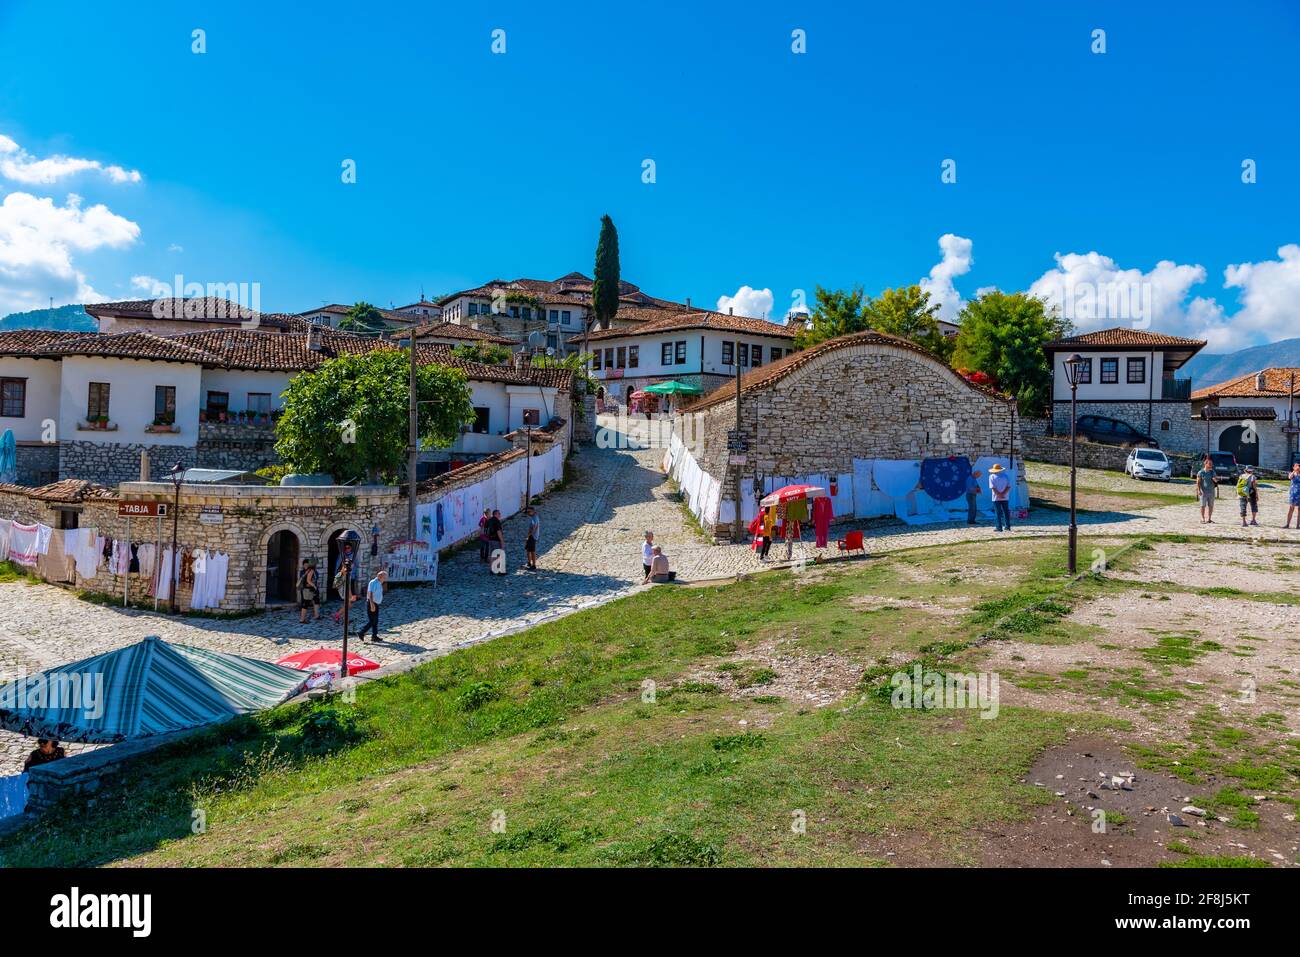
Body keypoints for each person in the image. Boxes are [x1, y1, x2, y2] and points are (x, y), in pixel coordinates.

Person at [332, 540, 360, 623]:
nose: (347, 549)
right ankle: (337, 615)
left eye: (348, 548)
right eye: (345, 548)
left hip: (351, 577)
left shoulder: (354, 555)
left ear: (351, 548)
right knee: (348, 603)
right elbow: (337, 564)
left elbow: (357, 565)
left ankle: (344, 619)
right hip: (345, 580)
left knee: (348, 603)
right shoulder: (342, 556)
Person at [357, 569, 387, 642]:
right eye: (384, 577)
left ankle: (374, 636)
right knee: (372, 620)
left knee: (375, 620)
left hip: (376, 604)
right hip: (372, 603)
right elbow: (370, 594)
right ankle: (361, 632)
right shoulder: (373, 582)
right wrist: (372, 604)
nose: (385, 579)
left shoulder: (379, 583)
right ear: (380, 576)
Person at [988, 463, 1012, 532]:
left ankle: (999, 527)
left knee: (997, 512)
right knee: (1006, 512)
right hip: (1005, 497)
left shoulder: (991, 476)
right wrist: (1003, 493)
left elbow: (993, 488)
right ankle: (1007, 526)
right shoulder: (1006, 476)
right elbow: (1008, 486)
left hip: (996, 497)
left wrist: (998, 494)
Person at [1196, 456, 1218, 524]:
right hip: (1203, 492)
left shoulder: (1212, 472)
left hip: (1211, 491)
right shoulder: (1201, 472)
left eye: (1212, 464)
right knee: (1203, 505)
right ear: (1205, 464)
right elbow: (1198, 482)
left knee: (1211, 506)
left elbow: (1215, 479)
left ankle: (1209, 519)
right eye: (1210, 463)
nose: (1211, 465)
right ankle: (1202, 518)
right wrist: (1199, 490)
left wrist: (1215, 480)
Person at [298, 558, 321, 623]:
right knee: (306, 603)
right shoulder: (311, 570)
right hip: (308, 589)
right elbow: (308, 580)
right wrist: (314, 586)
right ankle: (302, 620)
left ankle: (317, 615)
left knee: (316, 600)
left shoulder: (311, 570)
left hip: (311, 589)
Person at [485, 509, 505, 574]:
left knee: (492, 555)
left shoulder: (489, 520)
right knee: (499, 555)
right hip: (496, 540)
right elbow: (498, 531)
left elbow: (485, 530)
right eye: (499, 514)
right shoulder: (497, 521)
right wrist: (502, 541)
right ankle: (499, 571)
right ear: (495, 514)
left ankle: (491, 570)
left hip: (490, 540)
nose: (500, 515)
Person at [1286, 462, 1300, 528]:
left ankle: (1298, 525)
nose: (1298, 467)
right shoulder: (1292, 473)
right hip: (1293, 494)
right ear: (1293, 467)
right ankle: (1287, 524)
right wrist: (1294, 471)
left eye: (1298, 466)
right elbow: (1290, 477)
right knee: (1291, 509)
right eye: (1296, 466)